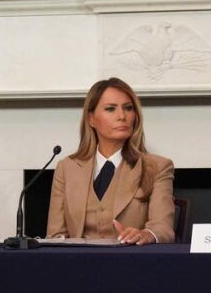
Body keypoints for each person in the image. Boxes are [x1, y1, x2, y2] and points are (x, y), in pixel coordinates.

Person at [47, 77, 175, 244]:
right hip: (78, 264)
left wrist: (147, 234)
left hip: (131, 263)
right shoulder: (66, 168)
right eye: (110, 109)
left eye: (128, 108)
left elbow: (163, 229)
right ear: (91, 119)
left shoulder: (158, 166)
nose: (122, 116)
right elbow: (56, 235)